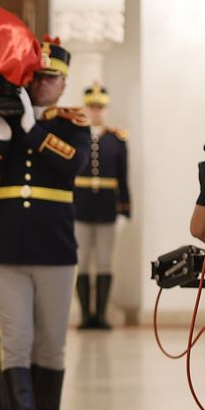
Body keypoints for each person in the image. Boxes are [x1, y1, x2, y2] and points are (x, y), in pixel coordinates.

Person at [0, 37, 91, 410]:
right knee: (14, 341)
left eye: (51, 78)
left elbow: (72, 164)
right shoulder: (2, 122)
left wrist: (29, 128)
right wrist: (1, 140)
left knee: (50, 343)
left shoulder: (72, 124)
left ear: (63, 84)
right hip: (6, 248)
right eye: (37, 77)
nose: (43, 84)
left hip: (54, 249)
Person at [74, 82, 130, 330]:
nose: (96, 111)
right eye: (92, 106)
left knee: (105, 262)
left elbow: (123, 177)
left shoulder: (117, 140)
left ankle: (102, 315)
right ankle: (87, 315)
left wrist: (124, 210)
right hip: (80, 207)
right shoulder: (77, 136)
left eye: (100, 107)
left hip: (107, 208)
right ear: (86, 108)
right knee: (82, 262)